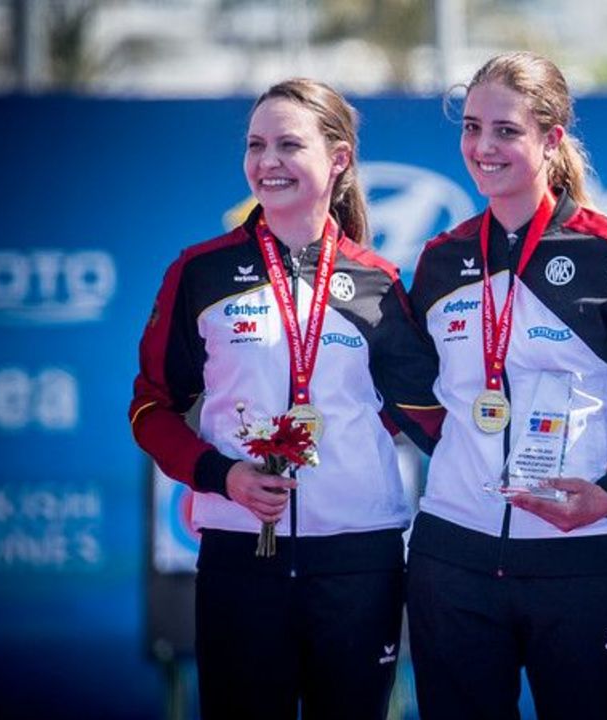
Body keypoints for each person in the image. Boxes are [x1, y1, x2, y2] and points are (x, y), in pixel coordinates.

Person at [128, 78, 441, 720]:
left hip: (360, 559)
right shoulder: (201, 272)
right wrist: (221, 475)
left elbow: (430, 411)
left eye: (288, 144)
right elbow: (152, 409)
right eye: (255, 145)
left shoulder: (377, 283)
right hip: (241, 558)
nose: (266, 162)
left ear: (339, 159)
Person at [403, 51, 607, 720]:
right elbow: (416, 389)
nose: (482, 147)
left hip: (582, 558)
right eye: (471, 128)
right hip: (453, 556)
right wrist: (462, 452)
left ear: (551, 139)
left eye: (505, 130)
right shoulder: (442, 258)